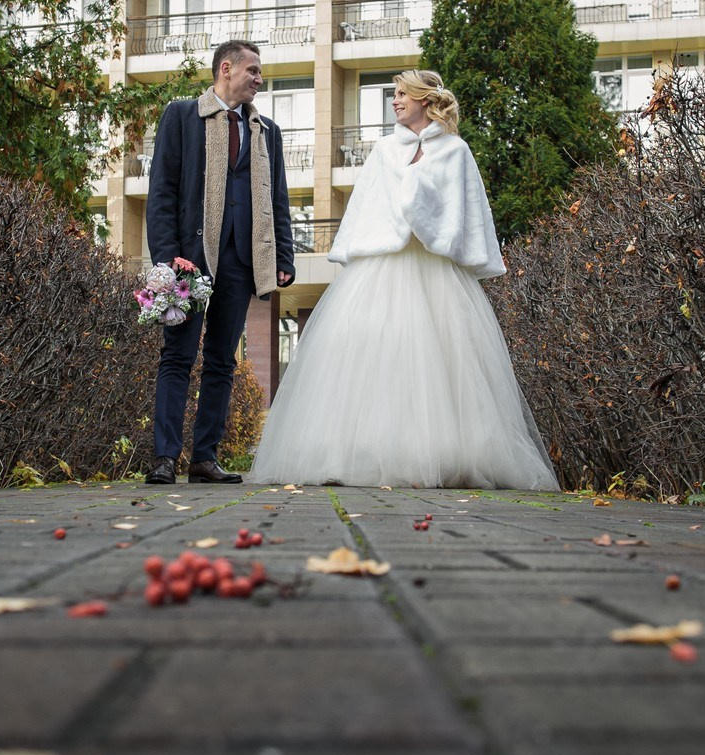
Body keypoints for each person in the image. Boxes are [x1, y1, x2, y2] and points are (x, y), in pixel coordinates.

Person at [246, 69, 556, 490]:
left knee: (440, 362)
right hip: (381, 270)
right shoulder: (385, 150)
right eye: (393, 94)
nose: (394, 101)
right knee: (373, 357)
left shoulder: (455, 151)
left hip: (434, 271)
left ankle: (445, 456)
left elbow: (463, 210)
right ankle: (360, 452)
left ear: (425, 100)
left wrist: (424, 212)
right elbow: (368, 206)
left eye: (401, 94)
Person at [143, 40, 295, 484]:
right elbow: (162, 192)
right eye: (253, 71)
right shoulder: (181, 116)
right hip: (190, 258)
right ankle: (164, 458)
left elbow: (277, 199)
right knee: (177, 356)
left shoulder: (267, 131)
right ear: (226, 69)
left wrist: (282, 254)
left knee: (222, 361)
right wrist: (166, 257)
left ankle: (204, 458)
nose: (259, 80)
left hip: (241, 261)